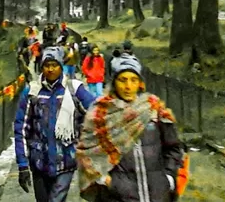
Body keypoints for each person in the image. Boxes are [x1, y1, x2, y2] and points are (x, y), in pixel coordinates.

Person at [75, 54, 187, 202]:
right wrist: (107, 182)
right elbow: (87, 155)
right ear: (114, 82)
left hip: (157, 194)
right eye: (123, 80)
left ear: (140, 82)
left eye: (133, 80)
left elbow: (173, 148)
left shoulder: (154, 110)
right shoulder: (99, 115)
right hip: (118, 196)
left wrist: (168, 179)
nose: (128, 86)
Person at [15, 46, 99, 202]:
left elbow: (95, 114)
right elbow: (21, 128)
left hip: (66, 160)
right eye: (47, 65)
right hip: (38, 161)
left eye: (55, 65)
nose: (50, 69)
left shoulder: (74, 89)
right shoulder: (32, 92)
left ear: (61, 66)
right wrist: (22, 165)